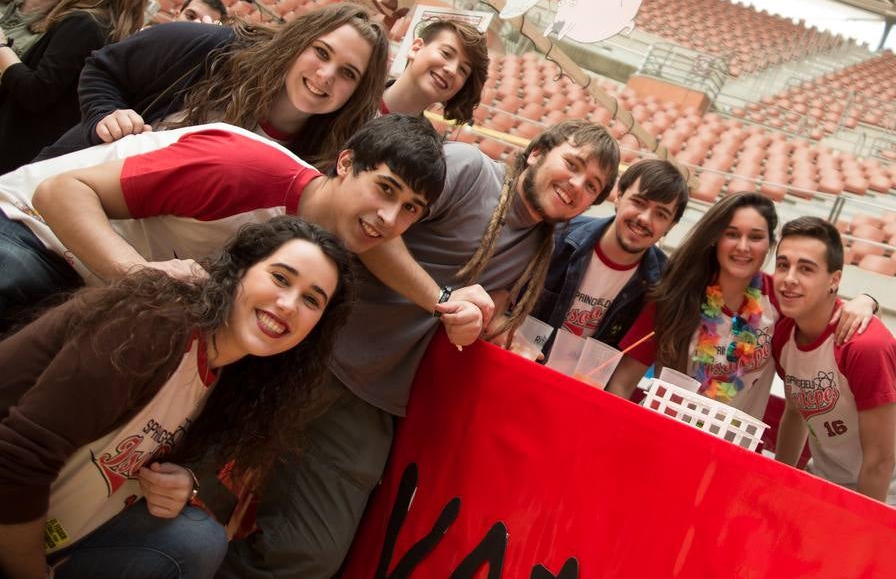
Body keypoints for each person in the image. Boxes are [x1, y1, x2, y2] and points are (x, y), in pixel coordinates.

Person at [210, 119, 621, 579]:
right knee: (194, 489)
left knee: (310, 555)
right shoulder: (469, 169)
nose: (577, 185)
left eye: (593, 186)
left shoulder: (539, 248)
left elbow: (484, 310)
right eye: (573, 164)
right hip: (308, 351)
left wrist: (501, 332)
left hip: (373, 398)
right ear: (536, 152)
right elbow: (372, 226)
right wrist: (441, 299)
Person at [0, 216, 354, 579]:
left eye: (312, 299)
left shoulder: (234, 376)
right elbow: (16, 460)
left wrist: (183, 478)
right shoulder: (156, 323)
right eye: (280, 278)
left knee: (197, 539)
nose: (289, 304)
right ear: (239, 270)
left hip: (54, 526)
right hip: (13, 500)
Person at [0, 112, 445, 327]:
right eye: (385, 189)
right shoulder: (241, 169)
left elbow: (376, 230)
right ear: (345, 163)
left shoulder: (327, 246)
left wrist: (442, 300)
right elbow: (61, 192)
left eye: (410, 209)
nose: (388, 218)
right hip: (29, 233)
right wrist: (135, 272)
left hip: (93, 299)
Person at [608, 192, 877, 419]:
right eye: (732, 234)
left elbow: (829, 314)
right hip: (664, 440)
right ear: (715, 239)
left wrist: (869, 300)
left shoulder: (782, 299)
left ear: (769, 244)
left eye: (756, 237)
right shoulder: (678, 294)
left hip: (737, 453)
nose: (743, 247)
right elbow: (622, 382)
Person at [39, 2, 388, 167]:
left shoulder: (321, 158)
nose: (326, 75)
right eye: (321, 52)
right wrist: (106, 113)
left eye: (348, 74)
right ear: (297, 42)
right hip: (48, 202)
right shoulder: (210, 48)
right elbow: (103, 66)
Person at [771, 216, 896, 514]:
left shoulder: (865, 347)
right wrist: (779, 481)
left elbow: (880, 460)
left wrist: (858, 527)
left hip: (891, 492)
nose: (789, 278)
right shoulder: (784, 334)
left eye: (805, 269)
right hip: (826, 476)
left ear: (834, 280)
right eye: (783, 265)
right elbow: (795, 412)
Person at [0, 0, 153, 172]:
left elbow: (36, 92)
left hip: (15, 143)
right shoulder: (114, 33)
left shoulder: (85, 23)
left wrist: (3, 48)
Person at [532, 157, 689, 348]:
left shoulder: (663, 284)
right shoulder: (558, 237)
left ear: (670, 226)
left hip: (585, 377)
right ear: (618, 197)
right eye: (638, 202)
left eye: (661, 214)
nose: (645, 219)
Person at [380, 17, 489, 125]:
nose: (452, 70)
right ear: (415, 48)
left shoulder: (424, 142)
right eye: (446, 53)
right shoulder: (363, 88)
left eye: (463, 70)